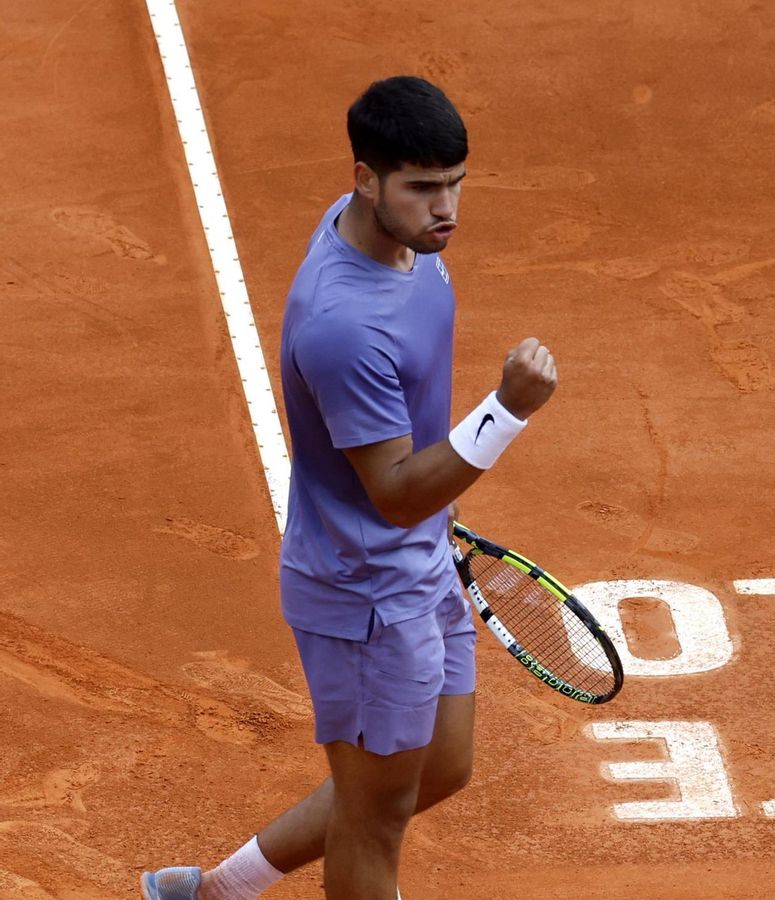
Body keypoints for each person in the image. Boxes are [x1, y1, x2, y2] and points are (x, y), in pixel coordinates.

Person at [143, 75, 558, 900]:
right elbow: (395, 493)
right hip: (365, 594)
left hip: (417, 557)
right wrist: (505, 411)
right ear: (365, 179)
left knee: (439, 768)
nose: (446, 209)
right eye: (423, 188)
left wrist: (439, 492)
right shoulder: (344, 327)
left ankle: (214, 892)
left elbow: (406, 465)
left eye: (456, 184)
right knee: (375, 818)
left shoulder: (392, 237)